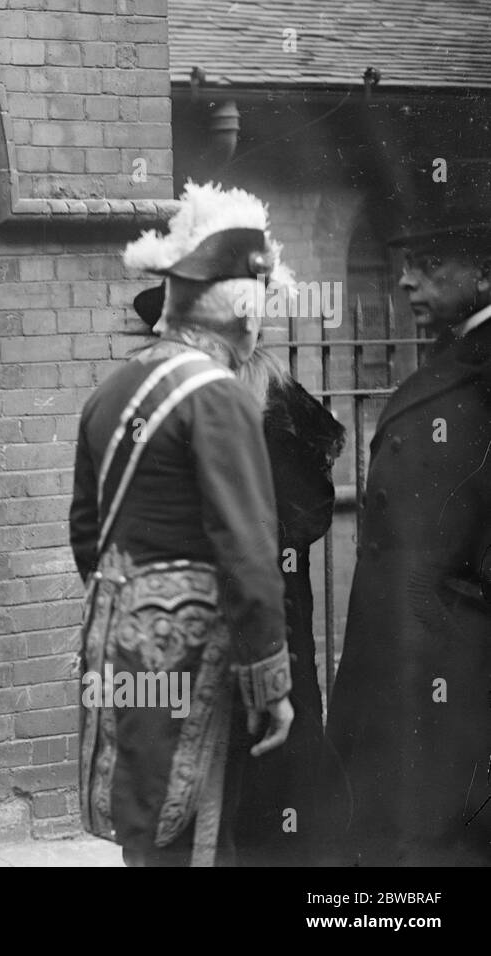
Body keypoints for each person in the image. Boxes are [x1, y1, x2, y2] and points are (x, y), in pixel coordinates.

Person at [71, 182, 295, 867]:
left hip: (116, 637)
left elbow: (86, 530)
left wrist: (132, 603)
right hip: (195, 648)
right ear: (245, 313)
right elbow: (249, 554)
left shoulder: (111, 388)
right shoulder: (218, 397)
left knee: (145, 818)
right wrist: (271, 684)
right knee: (196, 832)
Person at [132, 284, 345, 866]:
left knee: (265, 776)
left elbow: (303, 515)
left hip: (260, 616)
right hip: (187, 623)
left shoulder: (272, 405)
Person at [325, 209, 491, 866]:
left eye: (427, 266)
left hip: (457, 661)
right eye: (404, 266)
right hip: (416, 659)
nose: (405, 282)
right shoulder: (456, 354)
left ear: (483, 273)